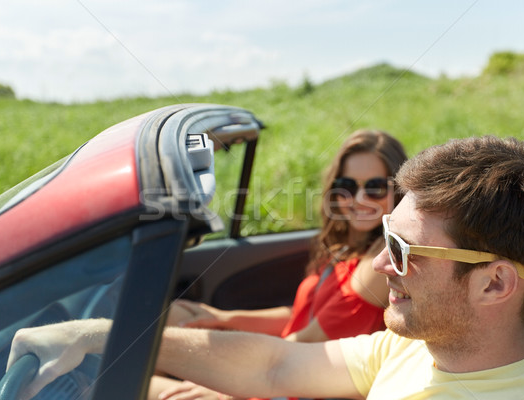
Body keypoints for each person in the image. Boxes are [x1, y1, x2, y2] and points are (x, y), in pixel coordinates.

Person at [8, 136, 524, 400]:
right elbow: (278, 364)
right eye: (386, 239)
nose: (380, 263)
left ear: (495, 282)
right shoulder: (414, 348)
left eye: (403, 251)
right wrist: (96, 336)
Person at [148, 129, 408, 400]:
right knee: (176, 314)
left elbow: (306, 341)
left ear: (398, 190)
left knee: (149, 388)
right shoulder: (349, 247)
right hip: (283, 361)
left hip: (295, 380)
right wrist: (224, 318)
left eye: (375, 187)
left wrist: (227, 385)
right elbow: (302, 314)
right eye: (349, 186)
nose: (360, 199)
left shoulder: (382, 261)